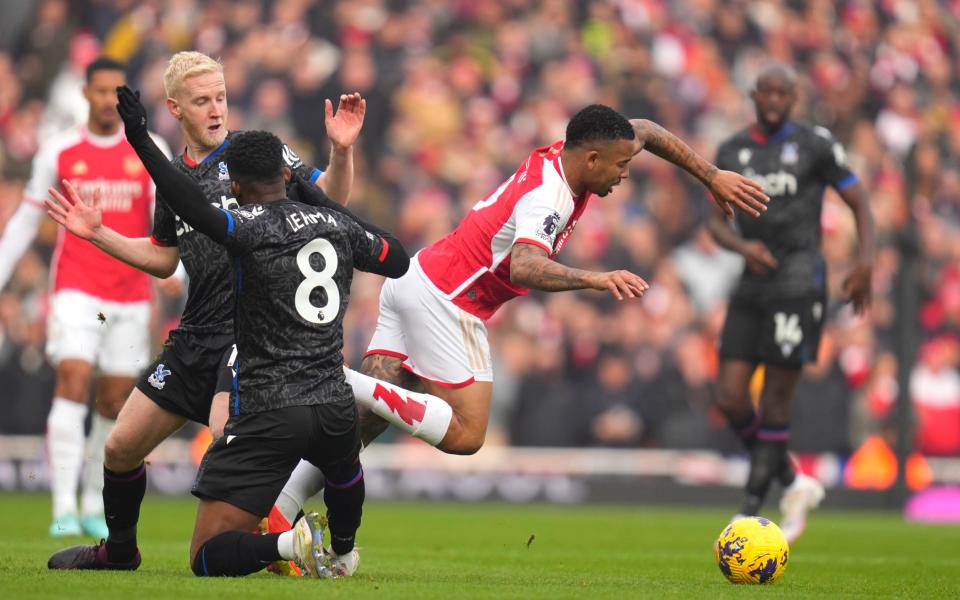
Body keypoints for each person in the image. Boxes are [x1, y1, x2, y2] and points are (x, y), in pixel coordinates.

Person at [267, 104, 772, 534]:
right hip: (448, 299)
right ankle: (337, 375)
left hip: (418, 276)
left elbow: (645, 128)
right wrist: (595, 279)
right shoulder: (548, 197)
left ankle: (277, 511)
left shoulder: (577, 155)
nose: (625, 173)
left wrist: (712, 176)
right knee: (467, 434)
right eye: (620, 166)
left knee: (359, 427)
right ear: (592, 158)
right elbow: (525, 264)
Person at [55, 89, 410, 577]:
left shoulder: (245, 224)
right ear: (287, 175)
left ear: (236, 187)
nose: (216, 107)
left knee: (206, 555)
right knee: (344, 466)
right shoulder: (333, 223)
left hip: (267, 395)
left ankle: (287, 543)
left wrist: (138, 136)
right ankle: (343, 550)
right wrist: (326, 206)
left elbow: (199, 213)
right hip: (329, 398)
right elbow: (398, 256)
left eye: (220, 95)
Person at [0, 57, 169, 539]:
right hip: (76, 287)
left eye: (116, 92)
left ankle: (94, 499)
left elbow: (166, 224)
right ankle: (61, 506)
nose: (107, 100)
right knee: (73, 379)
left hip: (131, 293)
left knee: (113, 401)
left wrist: (176, 272)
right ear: (85, 93)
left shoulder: (148, 150)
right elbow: (28, 219)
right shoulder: (59, 150)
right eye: (99, 91)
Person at [706, 64, 875, 542]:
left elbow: (860, 202)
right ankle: (794, 481)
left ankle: (749, 510)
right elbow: (714, 223)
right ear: (754, 94)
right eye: (768, 90)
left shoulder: (815, 144)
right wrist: (742, 248)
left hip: (799, 282)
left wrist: (866, 264)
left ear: (795, 97)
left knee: (776, 396)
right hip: (752, 279)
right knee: (729, 396)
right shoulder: (731, 150)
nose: (775, 99)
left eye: (785, 92)